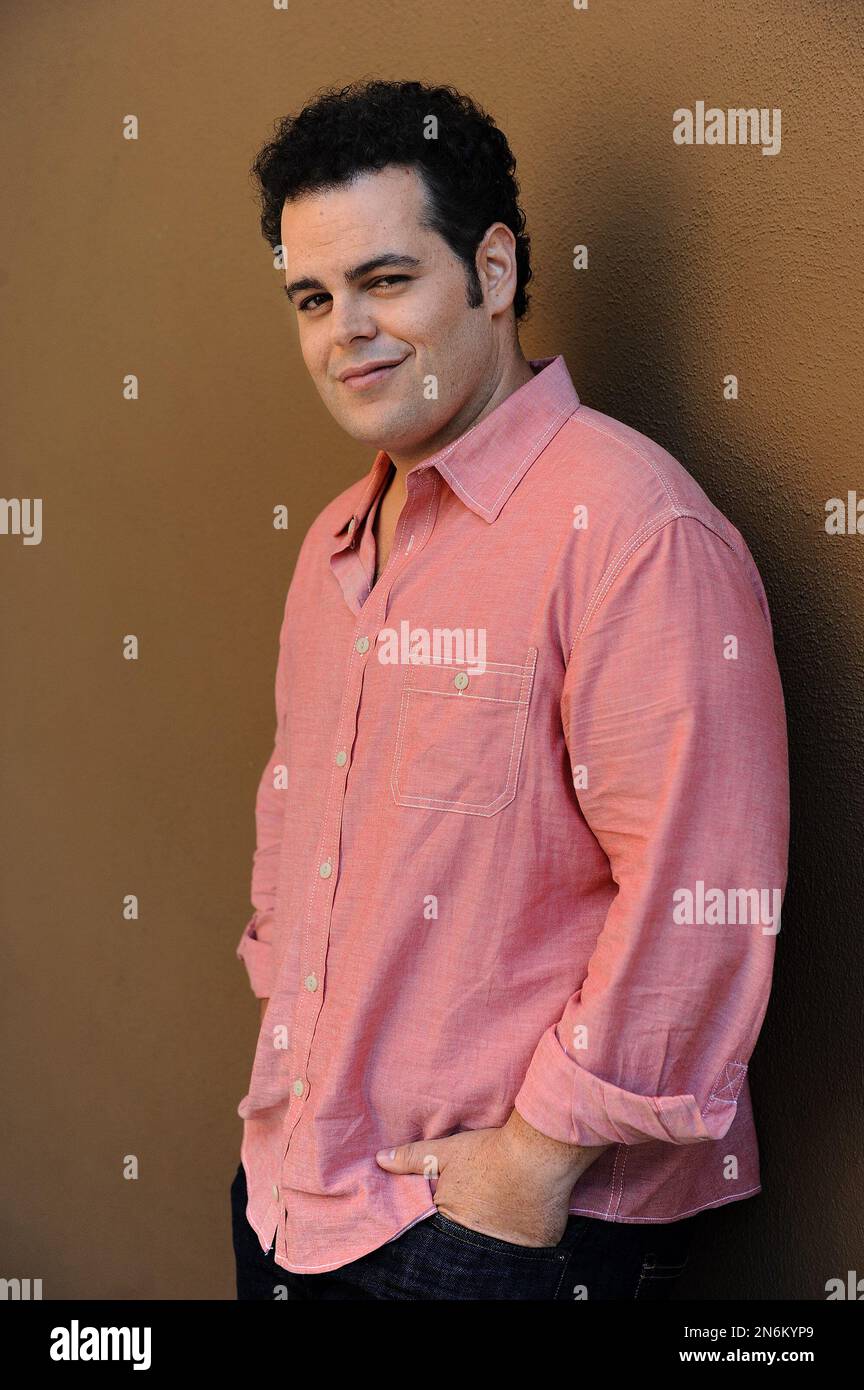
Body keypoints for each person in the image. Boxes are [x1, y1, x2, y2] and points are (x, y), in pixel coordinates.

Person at [231, 78, 790, 1301]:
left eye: (386, 281)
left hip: (498, 1235)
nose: (344, 333)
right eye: (312, 299)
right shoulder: (333, 540)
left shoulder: (634, 529)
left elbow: (706, 889)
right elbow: (301, 823)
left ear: (491, 272)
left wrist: (532, 1167)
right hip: (288, 1192)